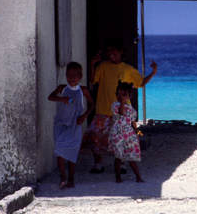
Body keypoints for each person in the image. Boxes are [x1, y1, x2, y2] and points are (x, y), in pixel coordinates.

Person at [86, 45, 157, 173]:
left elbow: (140, 83)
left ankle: (122, 163)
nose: (111, 54)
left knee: (121, 139)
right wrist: (92, 64)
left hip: (121, 112)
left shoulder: (128, 69)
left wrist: (153, 73)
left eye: (114, 51)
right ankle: (98, 163)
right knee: (94, 136)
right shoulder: (102, 66)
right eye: (109, 52)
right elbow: (93, 80)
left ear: (121, 52)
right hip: (102, 109)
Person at [47, 62, 94, 189]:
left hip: (75, 125)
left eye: (75, 75)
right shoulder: (62, 88)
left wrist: (84, 116)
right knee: (59, 150)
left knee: (72, 152)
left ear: (80, 76)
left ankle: (71, 179)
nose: (72, 78)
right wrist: (62, 99)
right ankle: (63, 177)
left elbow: (92, 104)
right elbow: (50, 97)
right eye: (69, 75)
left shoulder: (83, 90)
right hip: (61, 124)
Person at [109, 82, 144, 183]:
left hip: (129, 135)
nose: (120, 97)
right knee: (118, 157)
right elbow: (121, 112)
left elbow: (132, 122)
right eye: (118, 94)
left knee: (132, 157)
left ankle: (138, 177)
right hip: (118, 134)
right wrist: (123, 103)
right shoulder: (115, 105)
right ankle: (118, 177)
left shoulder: (132, 109)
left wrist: (138, 132)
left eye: (124, 95)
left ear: (129, 96)